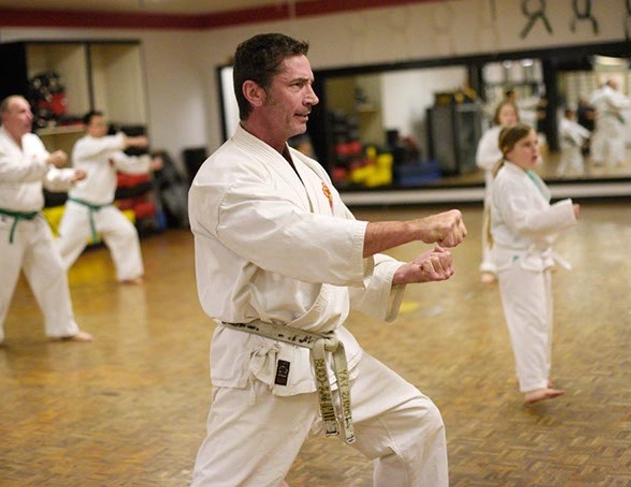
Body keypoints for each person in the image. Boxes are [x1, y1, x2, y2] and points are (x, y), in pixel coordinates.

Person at [188, 33, 467, 487]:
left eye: (311, 84)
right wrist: (415, 227)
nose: (313, 97)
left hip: (330, 353)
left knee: (416, 426)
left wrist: (404, 271)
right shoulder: (224, 178)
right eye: (297, 85)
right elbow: (305, 243)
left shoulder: (308, 168)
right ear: (254, 93)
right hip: (266, 368)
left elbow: (343, 240)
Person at [0, 95, 93, 353]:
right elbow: (14, 172)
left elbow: (48, 178)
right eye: (20, 111)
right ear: (5, 116)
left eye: (29, 111)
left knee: (53, 271)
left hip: (33, 220)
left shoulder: (32, 141)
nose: (28, 116)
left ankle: (64, 328)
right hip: (3, 222)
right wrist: (47, 162)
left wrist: (71, 176)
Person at [487, 123, 580, 404]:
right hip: (518, 261)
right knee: (530, 322)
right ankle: (532, 385)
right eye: (526, 145)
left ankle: (535, 376)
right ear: (508, 150)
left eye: (535, 143)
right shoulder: (506, 179)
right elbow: (523, 223)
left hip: (529, 258)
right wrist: (564, 214)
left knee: (539, 321)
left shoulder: (521, 176)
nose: (534, 149)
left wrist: (561, 215)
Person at [56, 110, 163, 284]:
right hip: (80, 208)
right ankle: (48, 279)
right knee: (64, 246)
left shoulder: (110, 150)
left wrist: (149, 165)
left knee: (126, 233)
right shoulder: (83, 146)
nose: (102, 128)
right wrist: (132, 140)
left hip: (104, 208)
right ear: (88, 128)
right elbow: (107, 145)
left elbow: (127, 164)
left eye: (104, 124)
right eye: (97, 125)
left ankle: (129, 274)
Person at [475, 99, 519, 284]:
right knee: (491, 227)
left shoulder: (521, 134)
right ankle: (489, 265)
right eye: (505, 114)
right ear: (498, 117)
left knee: (517, 225)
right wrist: (503, 161)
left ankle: (516, 263)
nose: (509, 117)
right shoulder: (491, 136)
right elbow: (481, 159)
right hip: (496, 190)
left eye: (512, 113)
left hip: (517, 190)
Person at [589, 79, 631, 167]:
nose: (617, 85)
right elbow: (617, 104)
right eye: (615, 84)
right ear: (610, 84)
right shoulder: (607, 93)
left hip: (604, 118)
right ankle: (618, 160)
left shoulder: (603, 93)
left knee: (601, 138)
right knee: (617, 137)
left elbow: (623, 100)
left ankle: (598, 159)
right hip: (609, 119)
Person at [556, 108, 591, 177]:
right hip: (569, 144)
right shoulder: (564, 124)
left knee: (565, 159)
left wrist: (587, 134)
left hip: (570, 145)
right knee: (576, 158)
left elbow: (579, 129)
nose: (573, 115)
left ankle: (560, 173)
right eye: (572, 113)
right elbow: (571, 134)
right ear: (568, 114)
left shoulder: (570, 122)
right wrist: (580, 142)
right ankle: (579, 173)